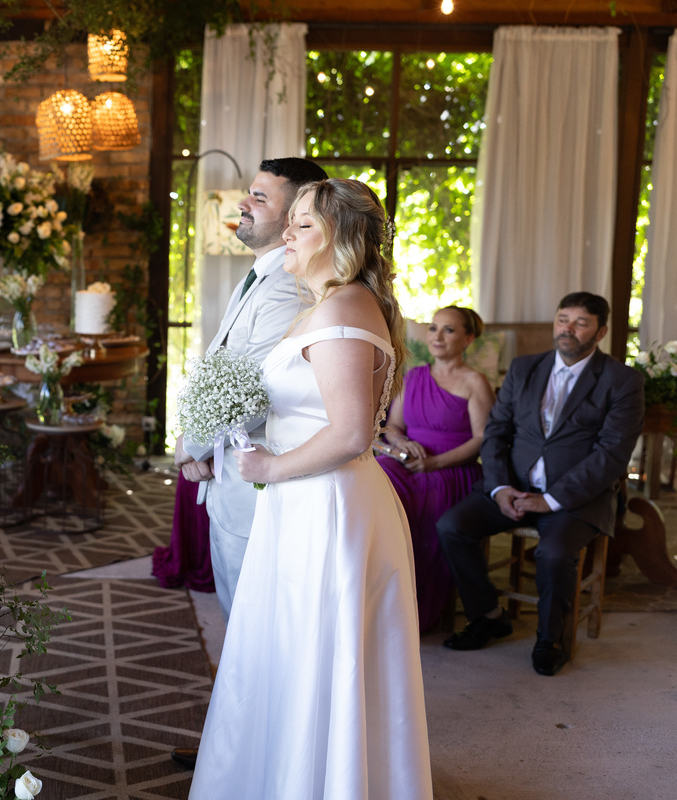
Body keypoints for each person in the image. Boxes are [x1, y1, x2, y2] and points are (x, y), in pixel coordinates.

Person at [189, 179, 432, 799]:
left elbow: (351, 432)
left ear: (341, 239)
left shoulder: (343, 309)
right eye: (290, 221)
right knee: (293, 652)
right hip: (306, 499)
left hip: (326, 504)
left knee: (317, 653)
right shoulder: (332, 304)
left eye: (302, 225)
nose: (287, 234)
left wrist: (270, 469)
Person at [170, 157, 326, 771]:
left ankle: (255, 761)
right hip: (233, 473)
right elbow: (223, 371)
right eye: (250, 194)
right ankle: (237, 748)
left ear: (294, 219)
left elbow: (251, 390)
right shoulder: (260, 277)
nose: (244, 203)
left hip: (255, 482)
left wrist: (193, 449)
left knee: (252, 630)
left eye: (260, 198)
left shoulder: (286, 287)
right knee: (240, 627)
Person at [436, 292, 644, 676]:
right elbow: (495, 433)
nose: (568, 329)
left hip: (577, 498)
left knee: (553, 552)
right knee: (452, 526)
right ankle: (488, 615)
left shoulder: (622, 381)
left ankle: (551, 640)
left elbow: (612, 454)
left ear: (600, 332)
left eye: (581, 323)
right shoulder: (524, 368)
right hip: (514, 486)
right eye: (563, 319)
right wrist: (500, 488)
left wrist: (551, 500)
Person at [378, 306, 494, 632]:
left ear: (468, 338)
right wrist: (402, 443)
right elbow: (393, 427)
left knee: (418, 508)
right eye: (433, 328)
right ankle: (378, 596)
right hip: (410, 461)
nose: (437, 336)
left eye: (449, 330)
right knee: (376, 480)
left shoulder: (475, 382)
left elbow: (483, 439)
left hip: (451, 468)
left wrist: (434, 463)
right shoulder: (413, 377)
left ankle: (413, 606)